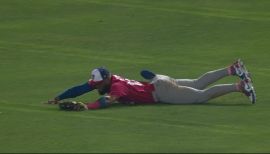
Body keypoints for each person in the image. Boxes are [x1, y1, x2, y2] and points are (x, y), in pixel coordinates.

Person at [47, 59, 256, 110]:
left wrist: (87, 106)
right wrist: (59, 97)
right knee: (197, 82)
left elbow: (108, 100)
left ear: (107, 79)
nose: (95, 85)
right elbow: (80, 88)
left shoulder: (115, 87)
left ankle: (240, 87)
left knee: (200, 96)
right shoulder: (108, 80)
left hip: (161, 92)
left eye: (98, 83)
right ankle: (233, 69)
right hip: (158, 80)